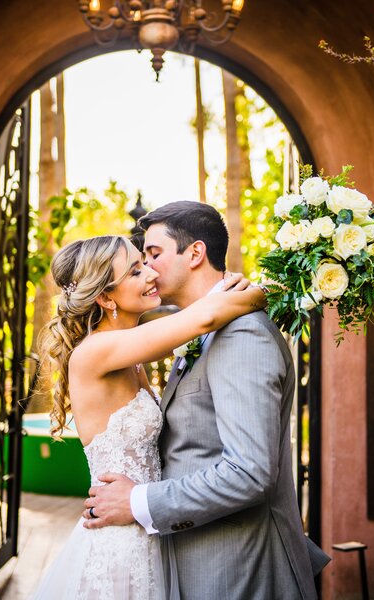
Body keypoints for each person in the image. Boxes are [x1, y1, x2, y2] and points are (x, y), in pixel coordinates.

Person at [83, 201, 330, 600]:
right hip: (193, 560)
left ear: (195, 253)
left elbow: (249, 473)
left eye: (153, 254)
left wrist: (139, 500)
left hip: (238, 570)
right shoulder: (198, 329)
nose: (147, 269)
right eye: (140, 262)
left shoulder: (240, 335)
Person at [31, 233, 267, 600]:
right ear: (106, 297)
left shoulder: (130, 350)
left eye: (145, 263)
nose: (151, 275)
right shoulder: (96, 351)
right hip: (121, 542)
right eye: (135, 271)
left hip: (149, 524)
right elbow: (204, 318)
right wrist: (262, 291)